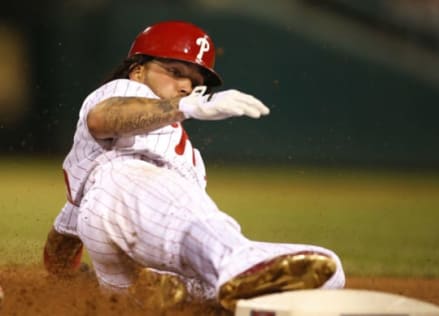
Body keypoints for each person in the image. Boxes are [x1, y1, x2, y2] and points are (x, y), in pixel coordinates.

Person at [43, 20, 345, 311]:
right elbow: (104, 117)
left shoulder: (185, 157)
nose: (186, 86)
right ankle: (236, 262)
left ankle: (169, 293)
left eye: (194, 83)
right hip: (123, 190)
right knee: (183, 214)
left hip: (134, 237)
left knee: (329, 270)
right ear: (137, 70)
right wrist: (184, 107)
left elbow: (62, 243)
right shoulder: (126, 91)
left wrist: (75, 279)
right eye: (174, 71)